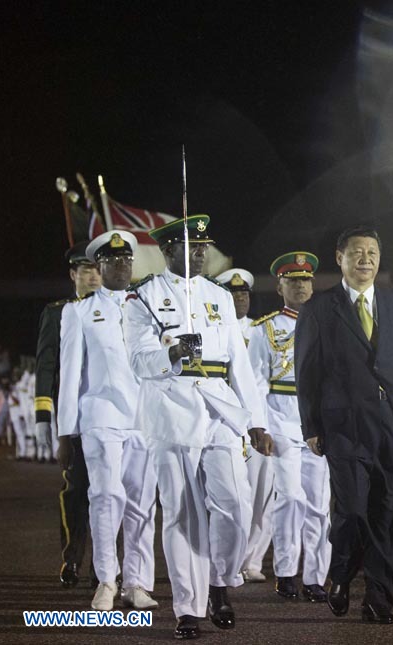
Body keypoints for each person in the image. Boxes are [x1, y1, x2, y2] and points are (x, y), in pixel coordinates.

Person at [123, 215, 271, 639]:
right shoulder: (144, 297)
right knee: (182, 513)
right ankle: (188, 607)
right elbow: (138, 360)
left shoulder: (218, 296)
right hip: (171, 410)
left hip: (220, 408)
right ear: (168, 251)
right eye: (192, 246)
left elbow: (238, 364)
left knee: (236, 505)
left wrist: (256, 420)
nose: (201, 253)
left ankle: (220, 583)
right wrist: (171, 356)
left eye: (204, 246)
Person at [295, 225, 393, 625]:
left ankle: (379, 600)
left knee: (386, 515)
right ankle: (340, 572)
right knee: (353, 511)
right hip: (344, 428)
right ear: (339, 258)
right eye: (356, 253)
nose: (365, 260)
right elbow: (307, 373)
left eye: (372, 253)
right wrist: (311, 426)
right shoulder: (320, 308)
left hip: (392, 425)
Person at [58, 231, 158, 611]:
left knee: (141, 503)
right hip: (100, 415)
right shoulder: (78, 312)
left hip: (143, 418)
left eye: (127, 260)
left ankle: (136, 582)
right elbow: (70, 376)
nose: (122, 266)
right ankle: (106, 581)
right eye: (113, 260)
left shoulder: (149, 307)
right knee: (105, 497)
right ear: (98, 266)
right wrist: (66, 433)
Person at [249, 251, 331, 603]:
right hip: (280, 417)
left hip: (319, 422)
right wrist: (258, 426)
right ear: (280, 285)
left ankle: (315, 577)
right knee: (291, 498)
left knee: (318, 503)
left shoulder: (329, 324)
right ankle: (285, 572)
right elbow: (255, 381)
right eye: (293, 280)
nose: (301, 286)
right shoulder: (265, 328)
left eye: (306, 279)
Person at [38, 241, 102, 588]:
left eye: (97, 268)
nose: (93, 275)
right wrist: (43, 417)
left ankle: (102, 566)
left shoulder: (118, 309)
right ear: (73, 274)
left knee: (110, 491)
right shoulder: (58, 312)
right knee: (76, 490)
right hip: (73, 415)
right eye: (86, 269)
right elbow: (46, 365)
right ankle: (72, 557)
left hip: (108, 415)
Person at [217, 267, 272, 584]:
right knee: (233, 495)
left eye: (244, 293)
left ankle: (253, 560)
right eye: (234, 293)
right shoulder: (213, 329)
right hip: (226, 417)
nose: (241, 298)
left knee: (264, 493)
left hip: (260, 417)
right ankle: (228, 558)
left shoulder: (262, 330)